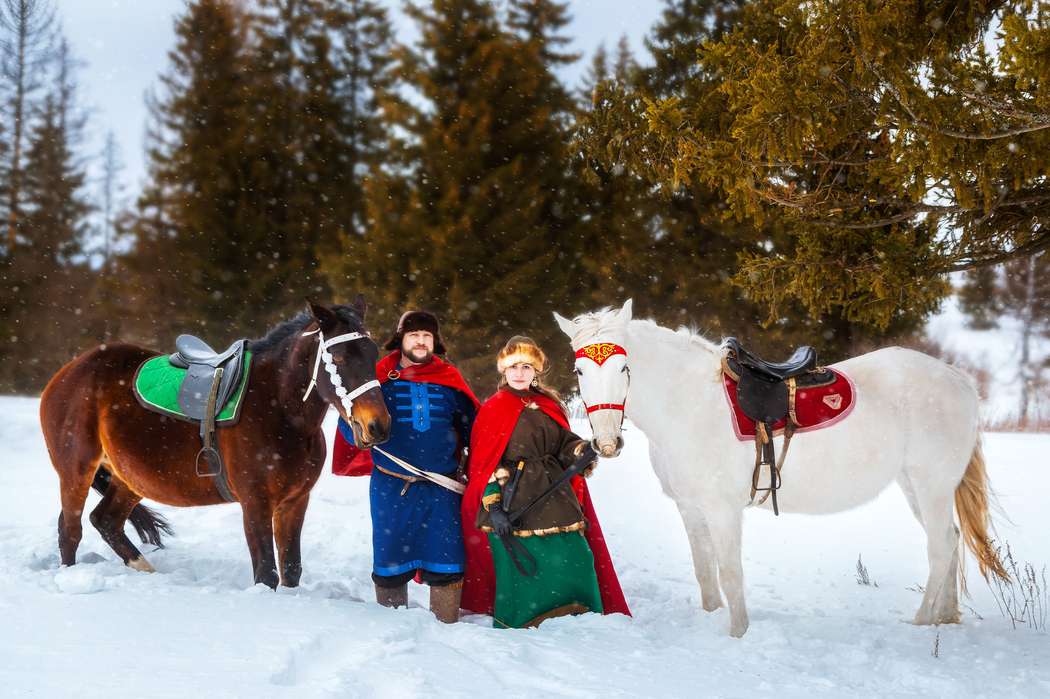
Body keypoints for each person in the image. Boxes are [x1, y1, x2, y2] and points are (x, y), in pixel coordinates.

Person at [461, 336, 630, 628]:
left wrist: (582, 450)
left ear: (536, 371)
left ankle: (579, 609)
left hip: (554, 494)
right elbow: (483, 465)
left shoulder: (548, 404)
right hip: (513, 497)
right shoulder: (493, 409)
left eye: (526, 366)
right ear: (503, 370)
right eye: (514, 366)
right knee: (522, 565)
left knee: (576, 555)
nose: (519, 373)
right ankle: (523, 617)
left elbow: (563, 443)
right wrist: (495, 506)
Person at [332, 310, 479, 623]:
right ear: (401, 341)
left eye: (427, 336)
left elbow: (474, 429)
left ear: (435, 341)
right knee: (390, 559)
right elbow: (353, 423)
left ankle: (446, 628)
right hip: (391, 487)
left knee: (447, 560)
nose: (421, 341)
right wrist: (355, 429)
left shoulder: (449, 380)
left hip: (443, 489)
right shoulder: (377, 378)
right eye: (414, 335)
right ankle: (392, 627)